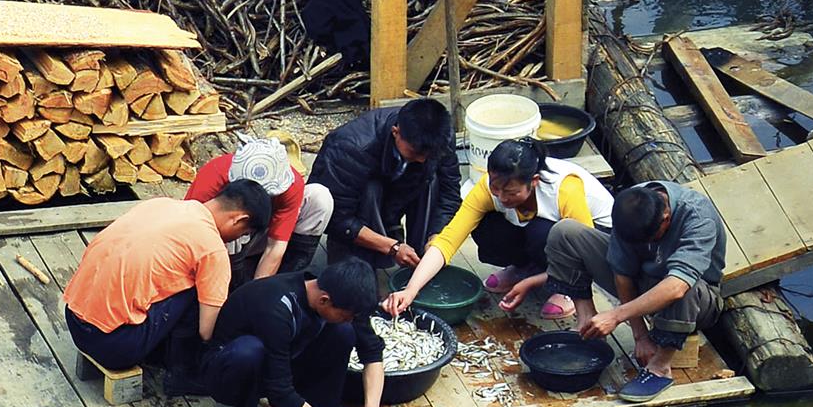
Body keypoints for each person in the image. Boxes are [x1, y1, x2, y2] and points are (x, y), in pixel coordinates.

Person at [386, 139, 614, 322]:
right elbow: (447, 241)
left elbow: (582, 256)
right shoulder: (489, 187)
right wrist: (411, 290)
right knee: (487, 225)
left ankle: (567, 290)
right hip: (537, 234)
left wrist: (532, 284)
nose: (502, 197)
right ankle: (526, 267)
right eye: (496, 188)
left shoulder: (565, 189)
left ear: (533, 181)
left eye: (511, 192)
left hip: (596, 241)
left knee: (542, 233)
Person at [545, 180, 726, 403]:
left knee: (682, 287)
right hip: (644, 280)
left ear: (666, 218)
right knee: (565, 232)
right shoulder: (628, 207)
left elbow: (677, 287)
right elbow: (622, 273)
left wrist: (615, 315)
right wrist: (640, 336)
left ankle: (660, 367)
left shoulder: (698, 216)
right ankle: (586, 321)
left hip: (696, 300)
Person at [63, 182, 271, 373]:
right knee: (198, 291)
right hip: (113, 346)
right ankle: (179, 370)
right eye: (244, 233)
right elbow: (207, 332)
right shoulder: (212, 250)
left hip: (73, 318)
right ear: (239, 219)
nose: (239, 238)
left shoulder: (161, 204)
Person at [197, 257, 386, 407]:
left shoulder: (346, 297)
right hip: (229, 370)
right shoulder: (276, 308)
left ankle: (321, 405)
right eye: (346, 315)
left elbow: (372, 353)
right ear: (324, 300)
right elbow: (279, 392)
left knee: (344, 331)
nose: (349, 319)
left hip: (284, 355)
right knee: (249, 352)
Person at [309, 98, 460, 271]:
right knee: (371, 189)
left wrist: (436, 236)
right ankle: (359, 258)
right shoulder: (350, 148)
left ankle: (422, 258)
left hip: (400, 195)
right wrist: (392, 247)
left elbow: (450, 194)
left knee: (434, 180)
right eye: (415, 152)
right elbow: (336, 219)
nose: (421, 159)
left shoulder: (440, 139)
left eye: (428, 154)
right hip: (360, 213)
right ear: (396, 132)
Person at [184, 136, 334, 289]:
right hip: (221, 240)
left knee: (320, 197)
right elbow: (190, 232)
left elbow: (275, 246)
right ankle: (232, 282)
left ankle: (285, 283)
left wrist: (256, 294)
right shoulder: (215, 173)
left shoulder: (289, 182)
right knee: (224, 222)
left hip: (260, 235)